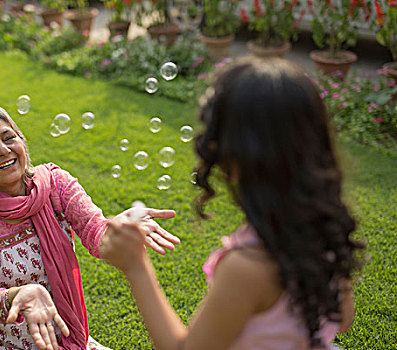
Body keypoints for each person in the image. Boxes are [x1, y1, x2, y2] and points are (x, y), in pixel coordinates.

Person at [100, 57, 364, 349]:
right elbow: (344, 318)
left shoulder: (247, 266)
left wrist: (136, 267)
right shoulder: (324, 231)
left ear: (234, 155)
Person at [0, 101, 180, 350]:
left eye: (8, 138)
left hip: (65, 340)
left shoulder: (55, 183)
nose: (3, 150)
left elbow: (95, 232)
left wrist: (115, 228)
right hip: (2, 345)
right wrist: (20, 296)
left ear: (21, 141)